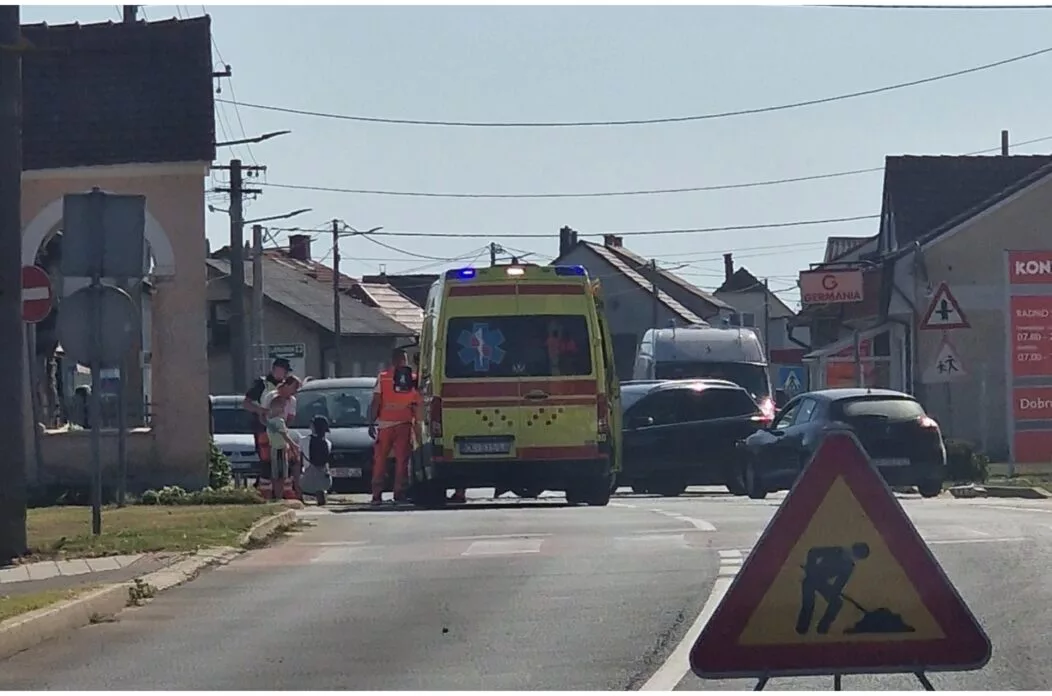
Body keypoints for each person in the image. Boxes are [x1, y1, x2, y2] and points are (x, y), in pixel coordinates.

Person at [368, 348, 419, 505]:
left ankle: (377, 494)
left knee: (380, 460)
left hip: (385, 425)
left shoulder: (383, 378)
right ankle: (399, 492)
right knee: (402, 460)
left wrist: (371, 422)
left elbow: (376, 401)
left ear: (392, 361)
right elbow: (417, 403)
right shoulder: (413, 379)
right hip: (404, 424)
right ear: (404, 361)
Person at [243, 358, 292, 491]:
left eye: (286, 371)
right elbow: (246, 403)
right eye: (284, 370)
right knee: (266, 460)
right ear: (275, 369)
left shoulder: (286, 385)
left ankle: (281, 490)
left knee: (282, 461)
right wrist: (261, 411)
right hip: (263, 428)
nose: (285, 374)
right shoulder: (262, 384)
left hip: (280, 428)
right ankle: (264, 491)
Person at [263, 392, 301, 494]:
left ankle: (276, 493)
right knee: (281, 474)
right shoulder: (280, 421)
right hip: (281, 449)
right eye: (282, 407)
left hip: (273, 448)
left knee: (275, 473)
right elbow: (284, 435)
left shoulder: (269, 421)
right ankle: (279, 494)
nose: (284, 409)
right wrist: (294, 445)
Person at [300, 414, 333, 506]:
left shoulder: (304, 441)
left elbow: (300, 453)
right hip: (324, 477)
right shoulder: (328, 443)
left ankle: (298, 495)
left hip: (307, 477)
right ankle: (321, 493)